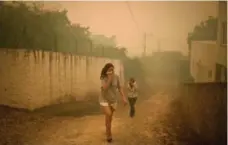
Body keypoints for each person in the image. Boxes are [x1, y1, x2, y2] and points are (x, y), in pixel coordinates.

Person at [99, 63, 127, 143]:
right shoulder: (103, 78)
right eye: (109, 70)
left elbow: (120, 87)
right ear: (106, 70)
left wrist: (123, 98)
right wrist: (109, 79)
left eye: (112, 69)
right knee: (108, 114)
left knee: (109, 118)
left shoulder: (116, 77)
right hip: (104, 99)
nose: (111, 71)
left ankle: (107, 129)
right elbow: (104, 88)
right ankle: (109, 135)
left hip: (113, 100)